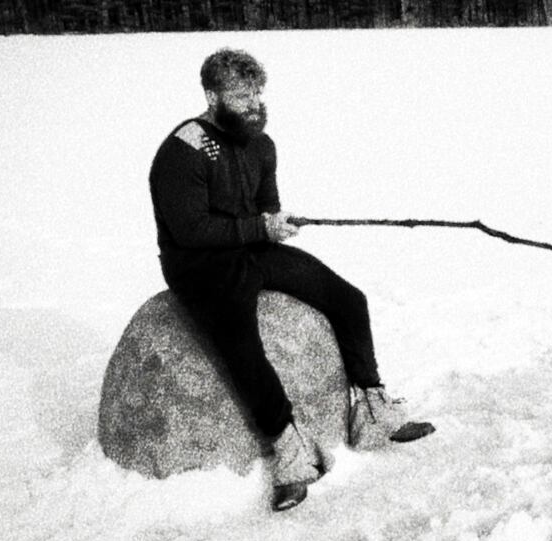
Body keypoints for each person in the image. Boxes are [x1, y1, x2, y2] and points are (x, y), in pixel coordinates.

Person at [149, 48, 433, 511]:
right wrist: (260, 227)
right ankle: (286, 445)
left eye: (258, 92)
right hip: (199, 264)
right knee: (239, 336)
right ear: (212, 95)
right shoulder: (187, 147)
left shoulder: (261, 144)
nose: (254, 103)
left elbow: (265, 205)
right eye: (242, 95)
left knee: (348, 299)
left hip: (252, 248)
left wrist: (274, 221)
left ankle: (372, 408)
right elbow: (190, 229)